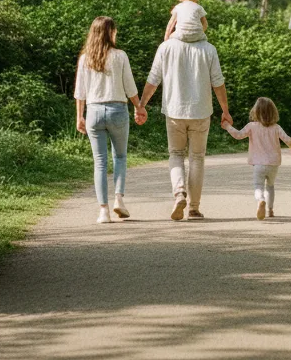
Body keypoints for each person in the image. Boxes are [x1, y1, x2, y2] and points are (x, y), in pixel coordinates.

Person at [139, 31, 231, 220]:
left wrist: (141, 105)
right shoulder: (209, 49)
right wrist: (225, 110)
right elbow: (218, 83)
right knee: (197, 158)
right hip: (201, 111)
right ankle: (194, 208)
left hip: (174, 111)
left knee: (176, 154)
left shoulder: (166, 47)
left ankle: (179, 193)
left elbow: (153, 79)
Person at [74, 16, 146, 224]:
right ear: (110, 32)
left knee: (100, 162)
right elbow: (130, 86)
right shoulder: (120, 55)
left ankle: (103, 211)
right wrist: (139, 107)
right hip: (117, 109)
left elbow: (80, 92)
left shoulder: (85, 58)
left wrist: (80, 116)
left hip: (94, 112)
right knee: (120, 157)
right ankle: (119, 200)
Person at [222, 97, 291, 220]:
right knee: (271, 186)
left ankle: (260, 200)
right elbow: (288, 139)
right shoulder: (276, 128)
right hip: (273, 164)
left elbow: (238, 135)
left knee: (258, 186)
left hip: (258, 164)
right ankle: (270, 210)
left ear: (255, 112)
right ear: (273, 112)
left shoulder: (251, 126)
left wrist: (227, 127)